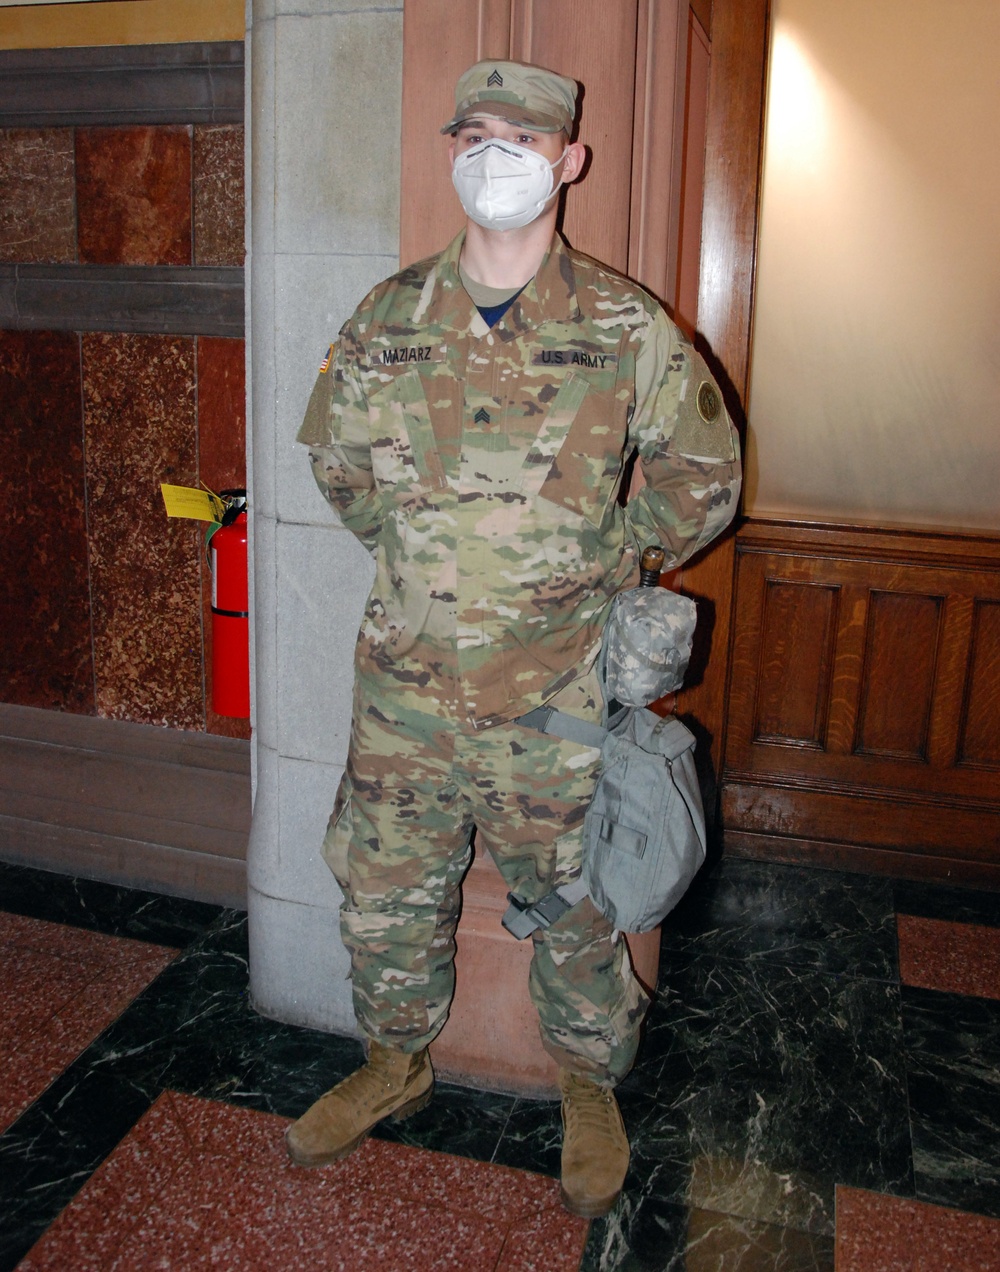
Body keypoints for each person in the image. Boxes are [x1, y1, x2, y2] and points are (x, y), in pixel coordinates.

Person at [287, 59, 741, 1218]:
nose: (497, 155)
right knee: (385, 892)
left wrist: (608, 556)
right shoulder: (388, 317)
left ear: (567, 160)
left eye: (524, 137)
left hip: (559, 696)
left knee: (575, 904)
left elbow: (704, 474)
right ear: (452, 150)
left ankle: (589, 1086)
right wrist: (415, 541)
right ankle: (395, 1061)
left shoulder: (625, 326)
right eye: (477, 133)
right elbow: (335, 459)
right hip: (405, 687)